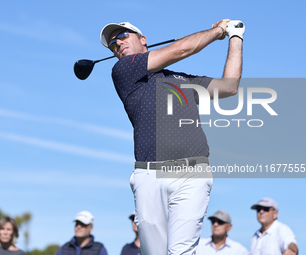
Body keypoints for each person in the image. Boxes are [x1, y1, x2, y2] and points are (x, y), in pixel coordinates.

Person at [100, 19, 244, 255]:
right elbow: (181, 49)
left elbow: (229, 86)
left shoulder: (182, 80)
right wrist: (218, 31)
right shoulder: (123, 70)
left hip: (192, 173)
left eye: (122, 36)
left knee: (181, 252)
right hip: (149, 174)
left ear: (142, 39)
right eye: (113, 44)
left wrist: (235, 37)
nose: (117, 44)